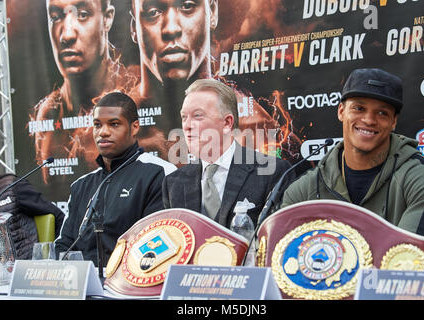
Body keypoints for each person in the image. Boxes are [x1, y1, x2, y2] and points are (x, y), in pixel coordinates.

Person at [280, 68, 424, 268]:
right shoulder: (304, 188)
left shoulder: (423, 178)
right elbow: (284, 261)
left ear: (393, 121)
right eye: (359, 108)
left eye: (382, 113)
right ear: (341, 111)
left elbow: (405, 267)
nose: (368, 120)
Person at [129, 0, 281, 164]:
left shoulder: (260, 127)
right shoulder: (111, 140)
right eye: (153, 12)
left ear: (212, 12)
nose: (171, 29)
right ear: (134, 28)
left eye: (187, 6)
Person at [55, 92, 177, 265]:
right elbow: (63, 245)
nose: (103, 132)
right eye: (97, 125)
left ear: (134, 127)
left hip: (132, 286)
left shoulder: (159, 173)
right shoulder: (81, 185)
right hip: (82, 286)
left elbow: (158, 244)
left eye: (114, 124)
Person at [162, 79, 295, 228]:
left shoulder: (272, 172)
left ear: (227, 123)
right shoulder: (173, 184)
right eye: (184, 117)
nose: (186, 126)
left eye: (197, 115)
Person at [34, 0, 137, 185]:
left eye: (82, 15)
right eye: (55, 17)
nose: (66, 35)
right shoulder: (47, 114)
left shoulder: (134, 94)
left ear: (107, 18)